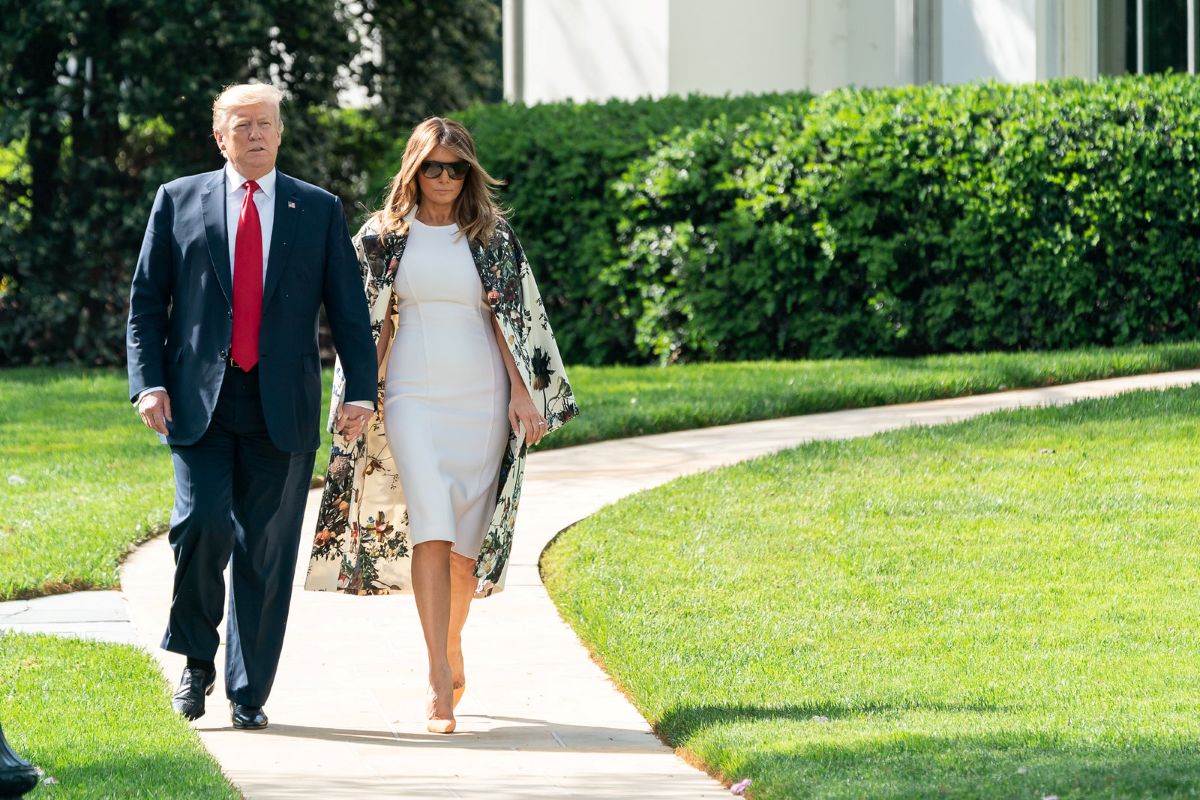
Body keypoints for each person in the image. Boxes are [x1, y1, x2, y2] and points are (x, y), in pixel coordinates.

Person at [304, 117, 579, 733]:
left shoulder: (491, 237)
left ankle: (452, 644)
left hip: (480, 397)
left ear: (470, 173)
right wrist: (358, 396)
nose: (446, 178)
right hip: (411, 395)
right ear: (414, 169)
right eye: (434, 167)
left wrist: (522, 393)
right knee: (429, 525)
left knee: (463, 549)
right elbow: (367, 324)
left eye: (457, 168)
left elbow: (512, 320)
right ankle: (435, 676)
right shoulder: (380, 238)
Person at [126, 83, 377, 730]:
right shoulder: (177, 200)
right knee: (202, 526)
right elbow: (147, 305)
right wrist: (147, 383)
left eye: (266, 124)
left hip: (281, 406)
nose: (256, 135)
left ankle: (248, 690)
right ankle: (197, 662)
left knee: (265, 549)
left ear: (280, 132)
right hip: (197, 402)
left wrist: (360, 390)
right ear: (220, 136)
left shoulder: (316, 209)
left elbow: (349, 310)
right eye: (243, 126)